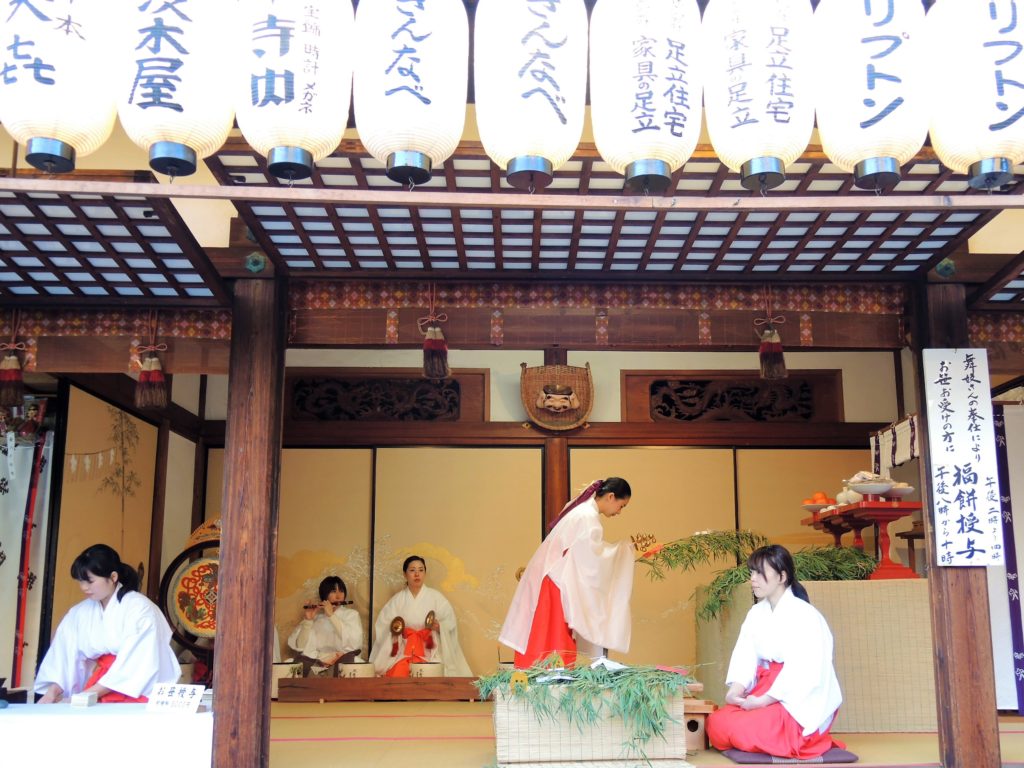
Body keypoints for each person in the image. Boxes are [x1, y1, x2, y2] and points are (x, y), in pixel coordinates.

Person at [706, 544, 844, 760]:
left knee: (746, 730)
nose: (753, 578)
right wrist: (736, 689)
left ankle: (793, 735)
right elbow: (746, 654)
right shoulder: (756, 613)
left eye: (760, 573)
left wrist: (763, 701)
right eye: (752, 572)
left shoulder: (806, 616)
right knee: (716, 723)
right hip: (765, 689)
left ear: (781, 576)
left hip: (796, 700)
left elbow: (805, 670)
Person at [500, 477, 633, 669]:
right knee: (552, 637)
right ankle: (547, 681)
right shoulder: (587, 518)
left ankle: (538, 678)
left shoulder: (583, 512)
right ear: (611, 497)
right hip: (554, 579)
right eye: (622, 506)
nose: (619, 512)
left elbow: (588, 555)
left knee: (543, 635)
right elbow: (592, 561)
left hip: (551, 576)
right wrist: (624, 552)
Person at [35, 544, 180, 703]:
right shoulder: (79, 613)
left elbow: (136, 664)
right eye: (81, 581)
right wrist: (51, 693)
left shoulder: (140, 609)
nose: (84, 588)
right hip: (98, 688)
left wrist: (85, 696)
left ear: (113, 577)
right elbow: (64, 655)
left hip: (136, 691)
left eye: (90, 581)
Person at [368, 556, 471, 677]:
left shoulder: (437, 598)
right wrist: (395, 631)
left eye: (421, 570)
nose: (417, 574)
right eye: (412, 570)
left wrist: (439, 627)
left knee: (435, 678)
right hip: (403, 651)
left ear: (425, 573)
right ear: (405, 574)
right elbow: (383, 625)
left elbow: (450, 623)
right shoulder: (397, 601)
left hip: (431, 651)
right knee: (398, 675)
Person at [287, 576, 363, 666]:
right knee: (290, 662)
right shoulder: (317, 618)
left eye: (341, 591)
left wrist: (331, 616)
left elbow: (354, 644)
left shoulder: (351, 615)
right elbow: (300, 647)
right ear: (324, 595)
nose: (339, 596)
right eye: (333, 592)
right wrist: (308, 621)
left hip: (344, 661)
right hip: (319, 662)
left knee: (357, 662)